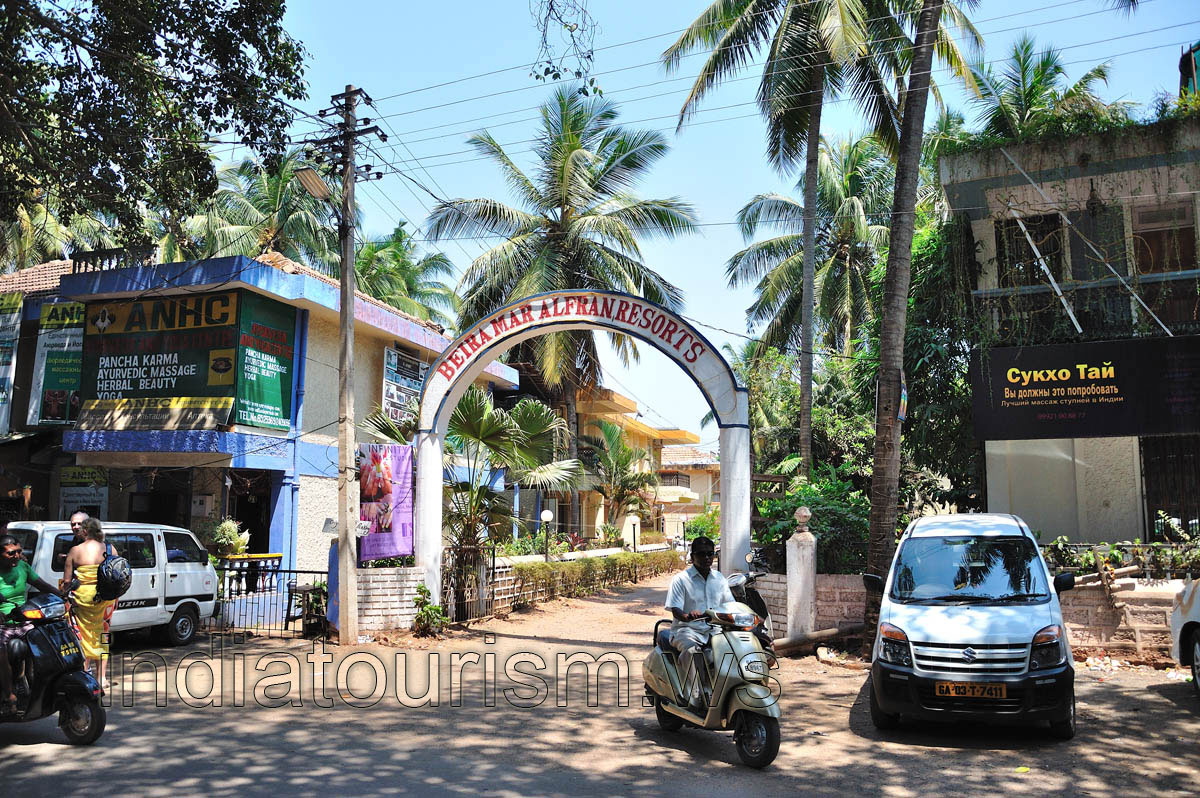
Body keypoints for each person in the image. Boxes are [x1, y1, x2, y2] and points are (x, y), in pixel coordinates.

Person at [664, 535, 734, 711]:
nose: (707, 558)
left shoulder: (719, 579)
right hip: (687, 630)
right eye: (702, 554)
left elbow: (731, 605)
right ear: (692, 556)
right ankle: (697, 697)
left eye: (710, 554)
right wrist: (688, 616)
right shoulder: (681, 579)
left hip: (715, 631)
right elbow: (675, 610)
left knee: (734, 650)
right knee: (693, 652)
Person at [1, 533, 63, 712]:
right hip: (3, 625)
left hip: (22, 620)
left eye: (19, 552)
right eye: (11, 553)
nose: (17, 556)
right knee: (1, 651)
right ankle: (8, 694)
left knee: (45, 642)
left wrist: (62, 596)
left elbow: (43, 585)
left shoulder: (23, 567)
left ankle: (33, 682)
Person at [62, 518, 115, 691]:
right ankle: (102, 678)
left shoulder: (75, 551)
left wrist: (63, 596)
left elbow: (67, 582)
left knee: (82, 637)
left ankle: (85, 676)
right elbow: (118, 576)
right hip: (105, 598)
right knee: (102, 635)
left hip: (82, 599)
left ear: (84, 531)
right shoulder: (109, 548)